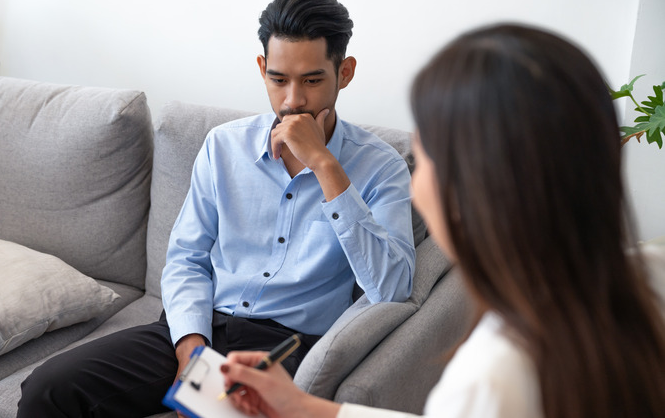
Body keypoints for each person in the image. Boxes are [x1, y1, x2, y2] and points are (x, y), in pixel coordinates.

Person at [220, 24, 665, 418]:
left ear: (476, 184)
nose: (415, 177)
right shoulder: (646, 276)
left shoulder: (493, 373)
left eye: (425, 146)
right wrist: (307, 408)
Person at [16, 0, 416, 417]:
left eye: (313, 80)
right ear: (262, 68)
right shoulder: (223, 147)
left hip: (283, 348)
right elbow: (187, 257)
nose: (293, 100)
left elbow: (393, 288)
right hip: (199, 326)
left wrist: (325, 165)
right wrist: (190, 348)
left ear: (346, 72)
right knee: (47, 389)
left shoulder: (382, 167)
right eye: (278, 79)